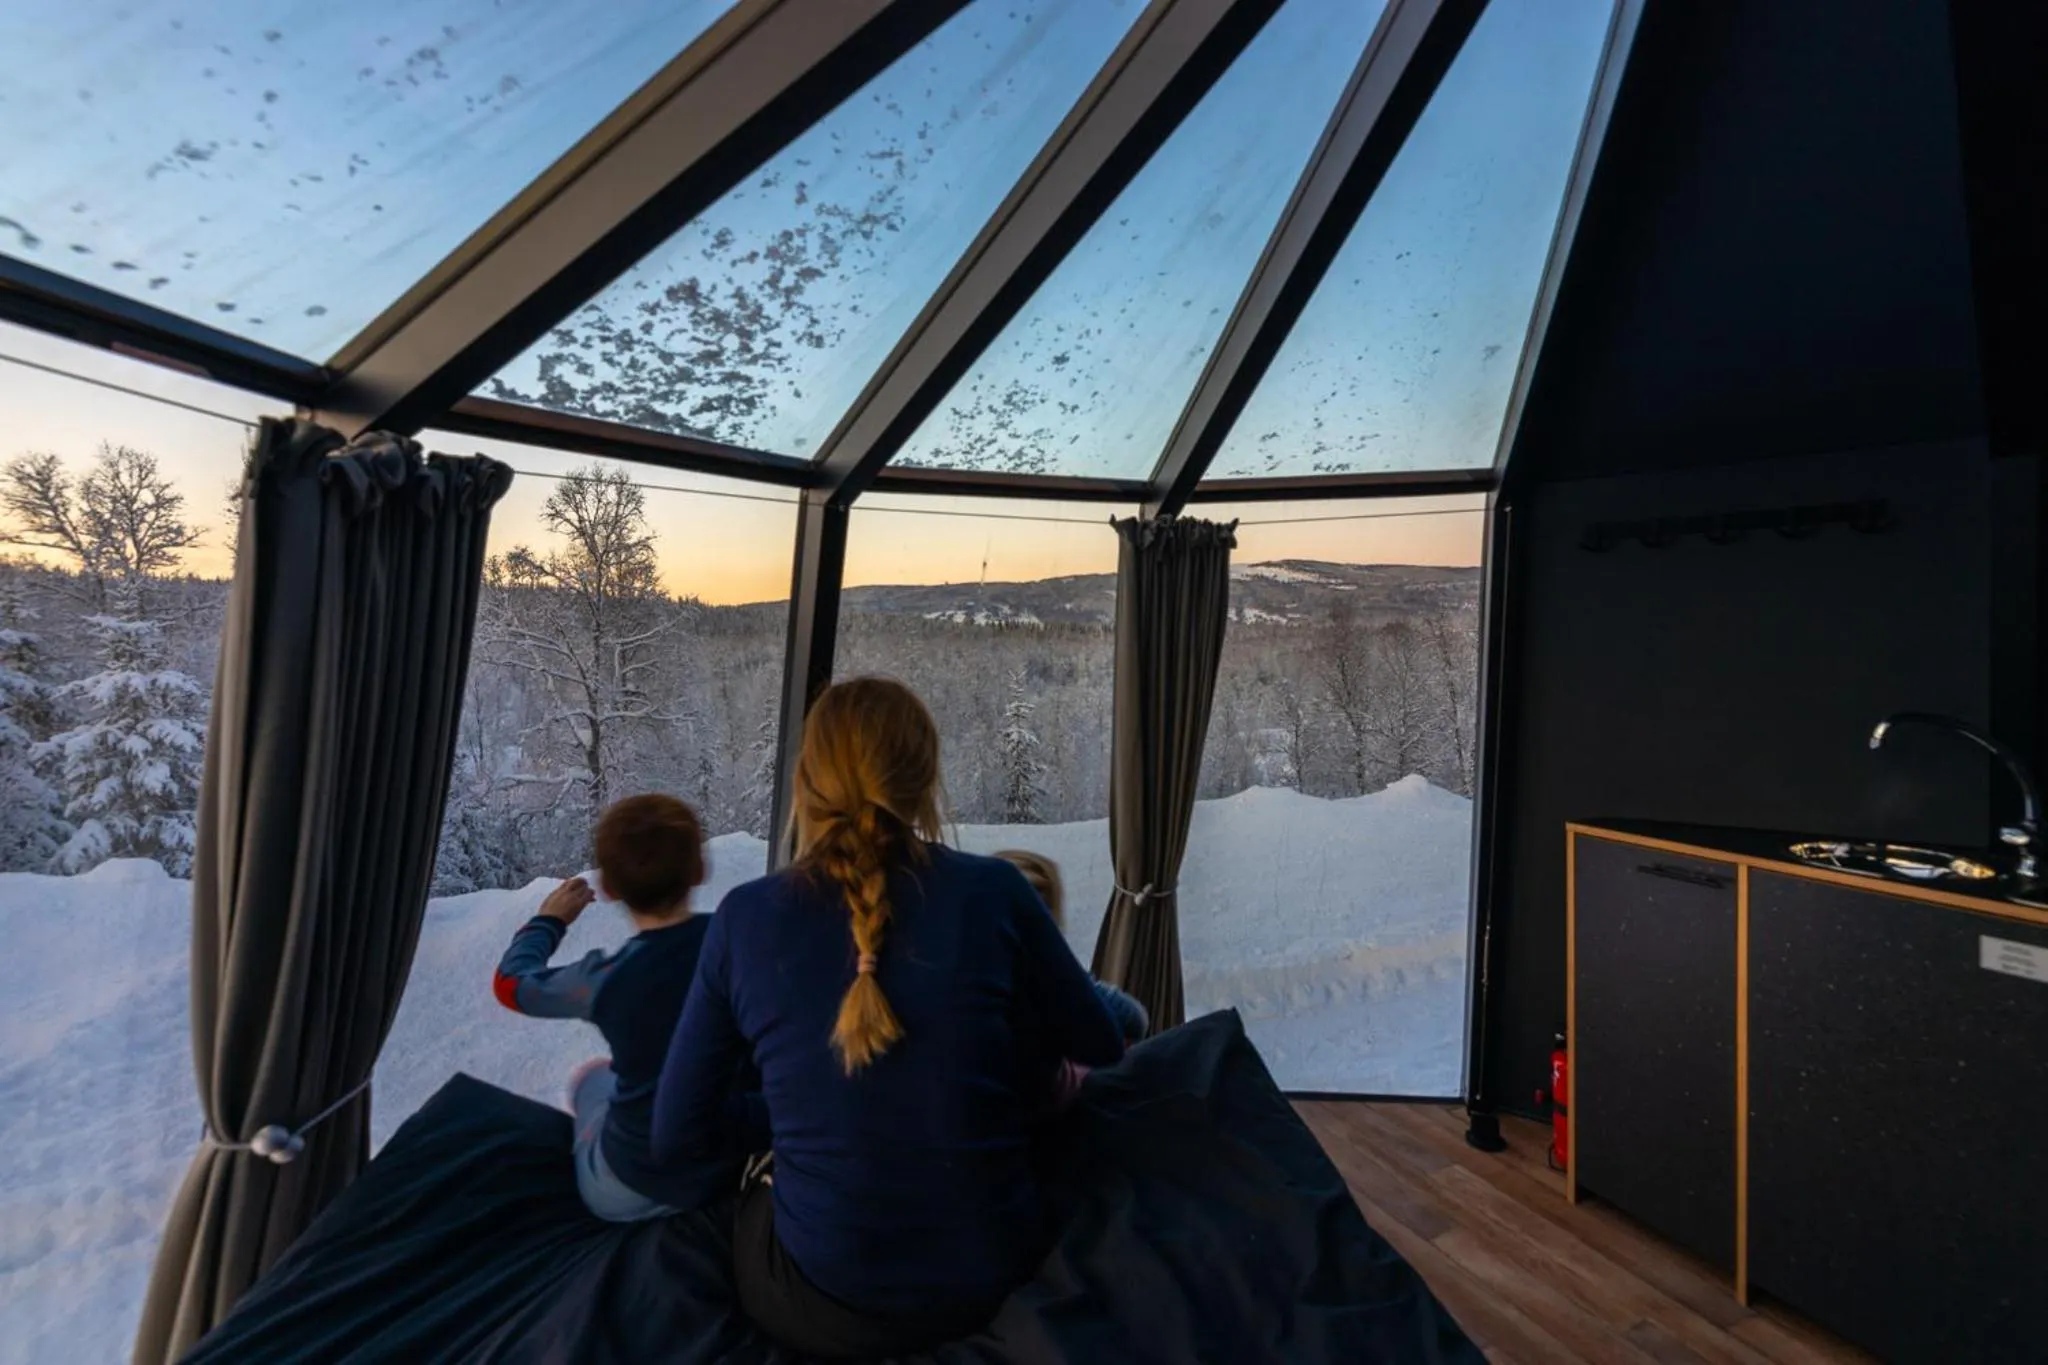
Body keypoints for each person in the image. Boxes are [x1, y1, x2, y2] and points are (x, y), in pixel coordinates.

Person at [653, 678, 1125, 1359]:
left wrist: (792, 1113)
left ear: (806, 781)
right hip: (993, 1271)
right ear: (925, 779)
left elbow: (676, 1134)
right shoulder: (997, 891)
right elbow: (1101, 1041)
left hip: (822, 1300)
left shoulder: (744, 919)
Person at [492, 793, 748, 1222]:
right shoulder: (740, 946)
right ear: (700, 870)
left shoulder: (609, 980)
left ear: (608, 889)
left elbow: (510, 985)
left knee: (592, 1081)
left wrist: (549, 921)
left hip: (633, 1186)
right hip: (729, 1161)